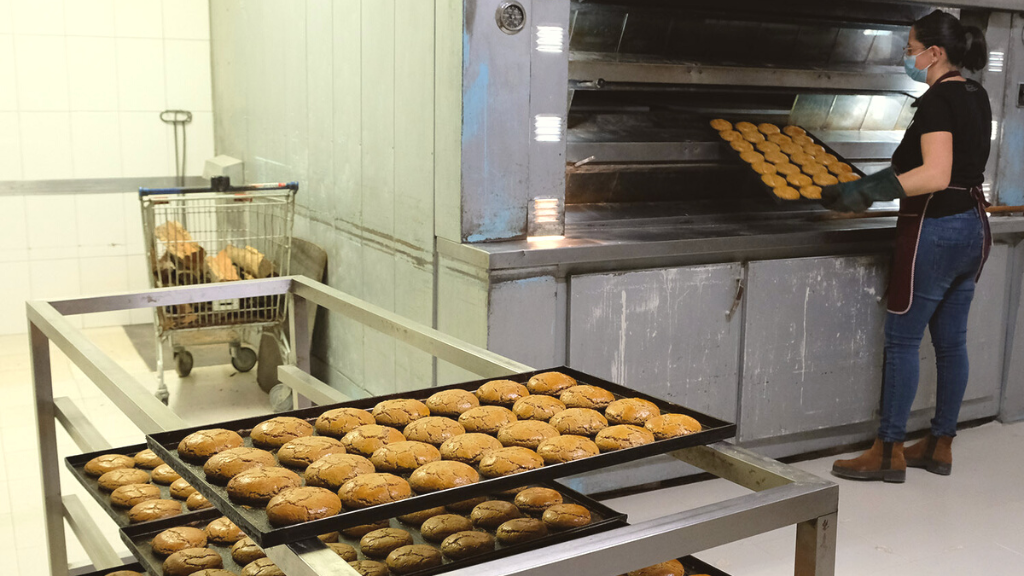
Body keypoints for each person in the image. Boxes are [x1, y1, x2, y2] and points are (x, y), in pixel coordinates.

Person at [824, 10, 992, 483]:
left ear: (934, 53)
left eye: (910, 47)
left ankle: (887, 451)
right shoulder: (976, 94)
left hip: (935, 229)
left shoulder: (938, 100)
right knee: (951, 341)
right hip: (972, 228)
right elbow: (961, 170)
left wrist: (867, 190)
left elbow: (936, 174)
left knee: (902, 340)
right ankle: (940, 446)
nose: (907, 55)